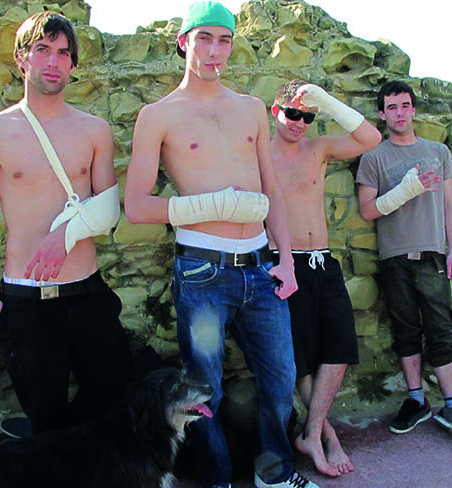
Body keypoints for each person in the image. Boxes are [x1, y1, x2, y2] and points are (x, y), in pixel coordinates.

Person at [124, 3, 318, 488]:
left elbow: (272, 192)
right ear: (184, 42)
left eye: (225, 40)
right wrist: (213, 205)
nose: (215, 50)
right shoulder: (158, 115)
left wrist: (286, 260)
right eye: (205, 38)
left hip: (261, 268)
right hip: (202, 271)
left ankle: (274, 471)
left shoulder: (251, 108)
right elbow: (137, 205)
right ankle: (217, 479)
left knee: (280, 381)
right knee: (203, 390)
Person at [0, 11, 133, 436]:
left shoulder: (94, 130)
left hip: (87, 293)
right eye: (43, 50)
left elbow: (108, 211)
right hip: (26, 302)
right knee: (46, 420)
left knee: (114, 401)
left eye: (63, 53)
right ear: (22, 57)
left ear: (73, 64)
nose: (54, 62)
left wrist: (65, 235)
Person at [356, 80, 452, 446]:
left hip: (432, 254)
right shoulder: (373, 158)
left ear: (413, 110)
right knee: (405, 330)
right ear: (382, 114)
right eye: (392, 107)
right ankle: (416, 400)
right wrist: (406, 190)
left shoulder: (437, 152)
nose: (400, 113)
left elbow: (450, 204)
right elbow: (367, 211)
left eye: (405, 105)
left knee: (441, 329)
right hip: (394, 257)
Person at [269, 80, 381, 476]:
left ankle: (312, 432)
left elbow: (370, 137)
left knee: (339, 346)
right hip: (284, 261)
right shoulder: (260, 155)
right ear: (275, 111)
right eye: (293, 113)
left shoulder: (318, 149)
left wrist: (326, 100)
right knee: (301, 357)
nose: (300, 122)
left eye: (308, 117)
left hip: (322, 261)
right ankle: (326, 438)